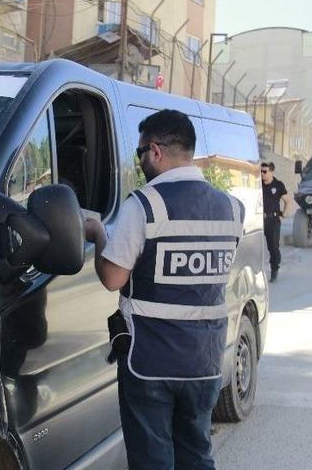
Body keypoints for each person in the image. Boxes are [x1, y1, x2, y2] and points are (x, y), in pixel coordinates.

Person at [83, 109, 245, 470]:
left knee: (153, 462)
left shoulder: (144, 205)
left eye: (140, 153)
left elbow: (113, 278)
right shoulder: (232, 209)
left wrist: (97, 236)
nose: (140, 162)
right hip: (204, 361)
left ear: (155, 151)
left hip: (150, 362)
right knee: (197, 456)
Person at [261, 162, 292, 283]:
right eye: (261, 171)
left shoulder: (278, 185)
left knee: (273, 247)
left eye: (265, 171)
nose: (262, 174)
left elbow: (288, 201)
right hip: (259, 219)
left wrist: (283, 215)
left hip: (273, 220)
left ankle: (274, 270)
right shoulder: (258, 185)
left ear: (271, 171)